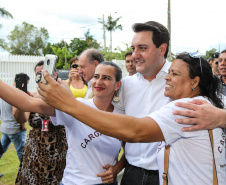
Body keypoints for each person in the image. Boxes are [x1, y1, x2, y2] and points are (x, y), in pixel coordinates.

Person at [36, 53, 225, 185]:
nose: (166, 78)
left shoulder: (187, 108)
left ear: (195, 81)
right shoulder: (210, 102)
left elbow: (135, 131)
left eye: (174, 74)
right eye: (168, 72)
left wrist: (69, 104)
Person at [0, 61, 125, 185]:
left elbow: (131, 150)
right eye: (96, 76)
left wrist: (117, 168)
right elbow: (27, 102)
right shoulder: (75, 107)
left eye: (106, 78)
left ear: (117, 85)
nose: (98, 82)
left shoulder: (122, 116)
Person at [14, 61, 68, 185]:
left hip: (58, 147)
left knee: (57, 178)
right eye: (38, 73)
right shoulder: (30, 97)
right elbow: (21, 119)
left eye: (44, 72)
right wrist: (20, 104)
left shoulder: (63, 96)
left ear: (54, 75)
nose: (40, 75)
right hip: (36, 148)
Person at [172, 50, 226, 132]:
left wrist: (220, 117)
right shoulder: (212, 85)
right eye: (220, 61)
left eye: (175, 74)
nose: (222, 63)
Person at [0, 73, 30, 161]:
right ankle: (25, 173)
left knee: (1, 150)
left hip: (5, 127)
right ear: (23, 83)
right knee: (22, 152)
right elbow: (15, 111)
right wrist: (23, 125)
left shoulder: (5, 91)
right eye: (26, 84)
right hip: (15, 129)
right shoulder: (16, 92)